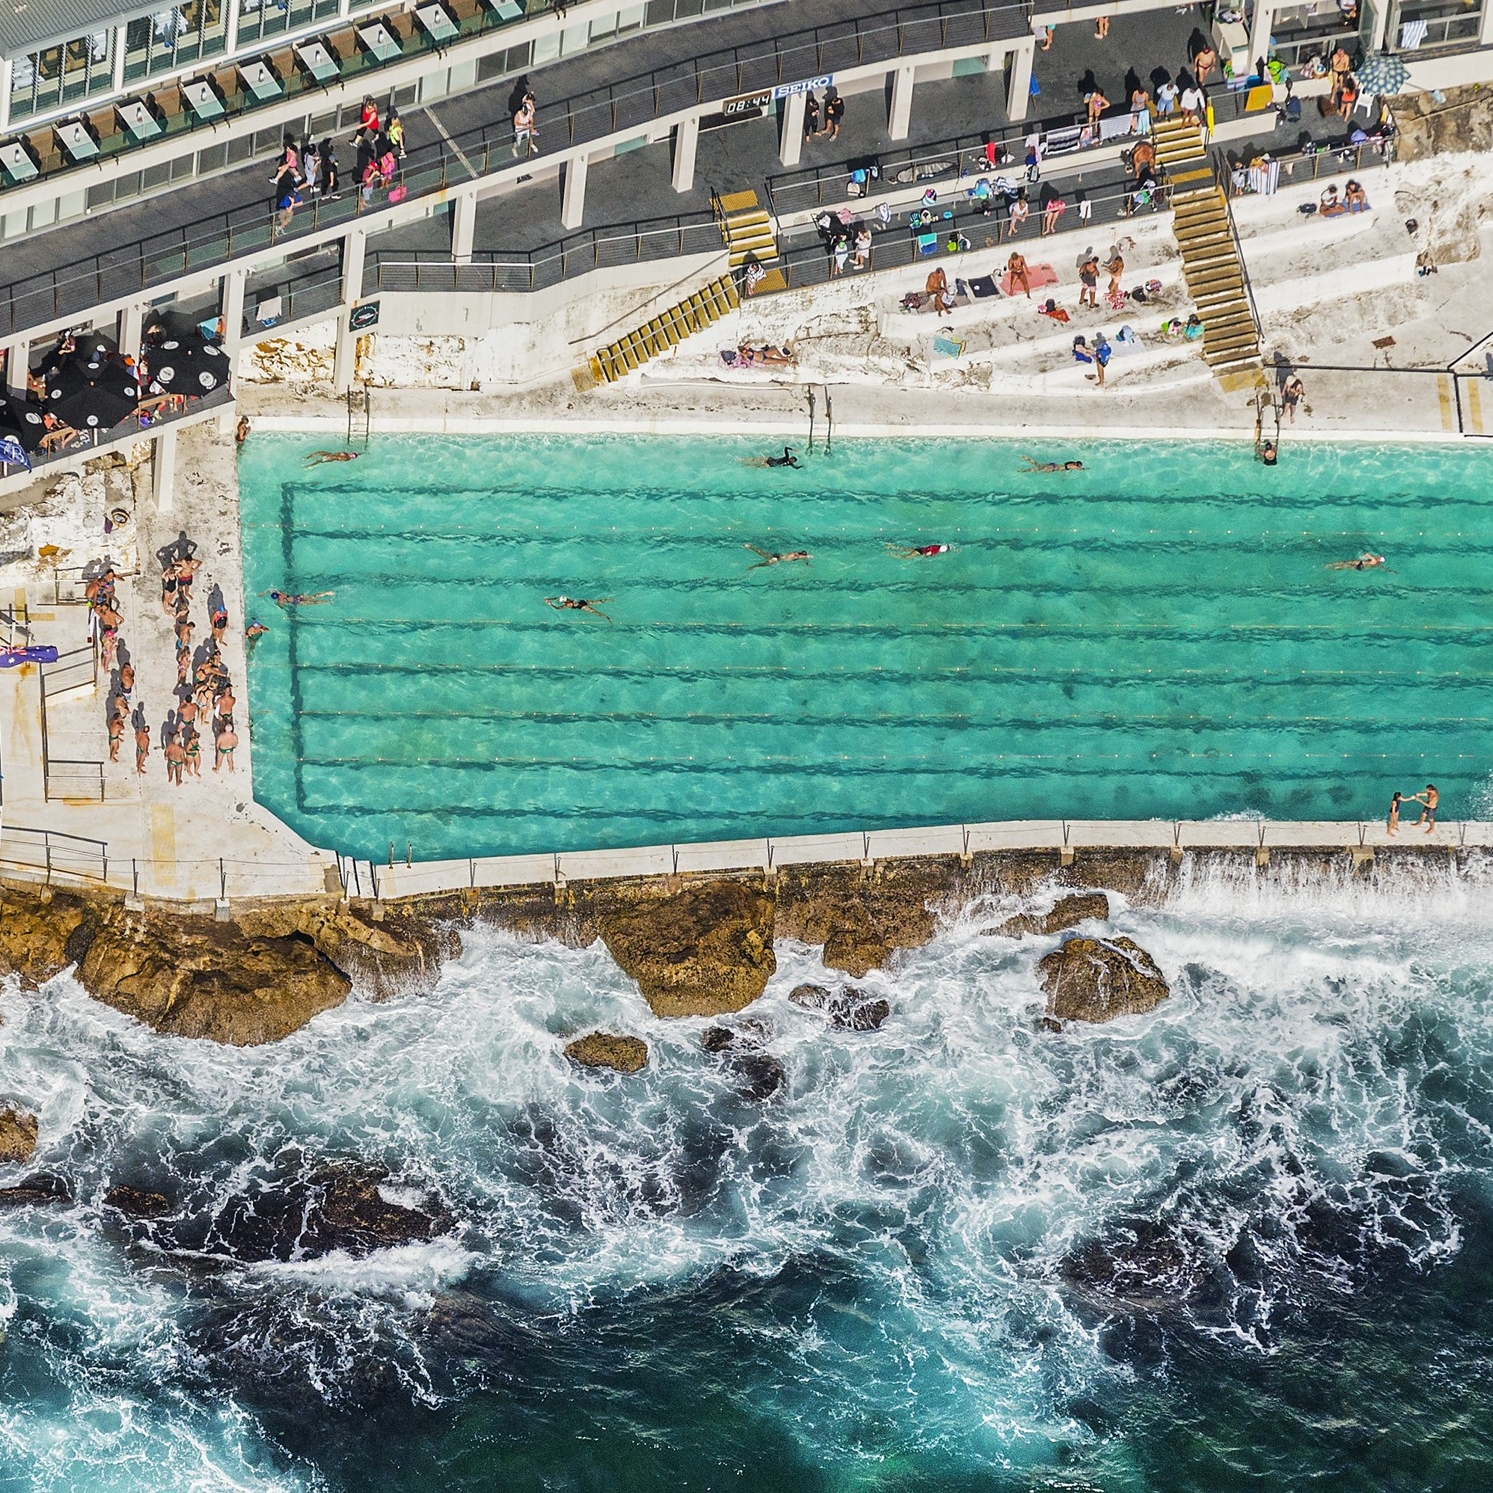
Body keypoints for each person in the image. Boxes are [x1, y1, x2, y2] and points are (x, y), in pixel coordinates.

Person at [545, 595, 613, 620]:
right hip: (584, 601)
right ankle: (609, 599)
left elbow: (558, 608)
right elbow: (558, 597)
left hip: (583, 606)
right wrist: (549, 598)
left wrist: (550, 604)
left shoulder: (568, 604)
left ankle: (607, 617)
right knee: (597, 601)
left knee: (595, 612)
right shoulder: (568, 599)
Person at [512, 93, 537, 157]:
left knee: (529, 137)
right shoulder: (518, 114)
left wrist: (530, 124)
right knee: (518, 142)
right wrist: (523, 125)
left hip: (526, 129)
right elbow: (515, 122)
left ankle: (531, 144)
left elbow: (531, 119)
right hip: (519, 130)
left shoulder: (528, 112)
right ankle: (514, 148)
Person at [745, 545, 811, 568]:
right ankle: (753, 566)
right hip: (777, 558)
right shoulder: (795, 555)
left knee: (762, 553)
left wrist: (807, 564)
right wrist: (808, 556)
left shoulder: (797, 556)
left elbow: (804, 559)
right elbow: (801, 557)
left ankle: (750, 547)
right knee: (765, 564)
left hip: (777, 556)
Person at [267, 589, 335, 604]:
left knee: (314, 602)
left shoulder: (280, 601)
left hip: (297, 602)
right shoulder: (281, 594)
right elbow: (273, 590)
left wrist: (278, 605)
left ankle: (328, 601)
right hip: (298, 597)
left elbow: (281, 607)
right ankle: (326, 593)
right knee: (313, 597)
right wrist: (264, 593)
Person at [886, 543, 951, 557]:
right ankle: (891, 554)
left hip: (920, 548)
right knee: (905, 557)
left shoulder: (937, 546)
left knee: (904, 549)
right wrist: (930, 556)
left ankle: (891, 546)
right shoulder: (935, 551)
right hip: (919, 552)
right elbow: (926, 554)